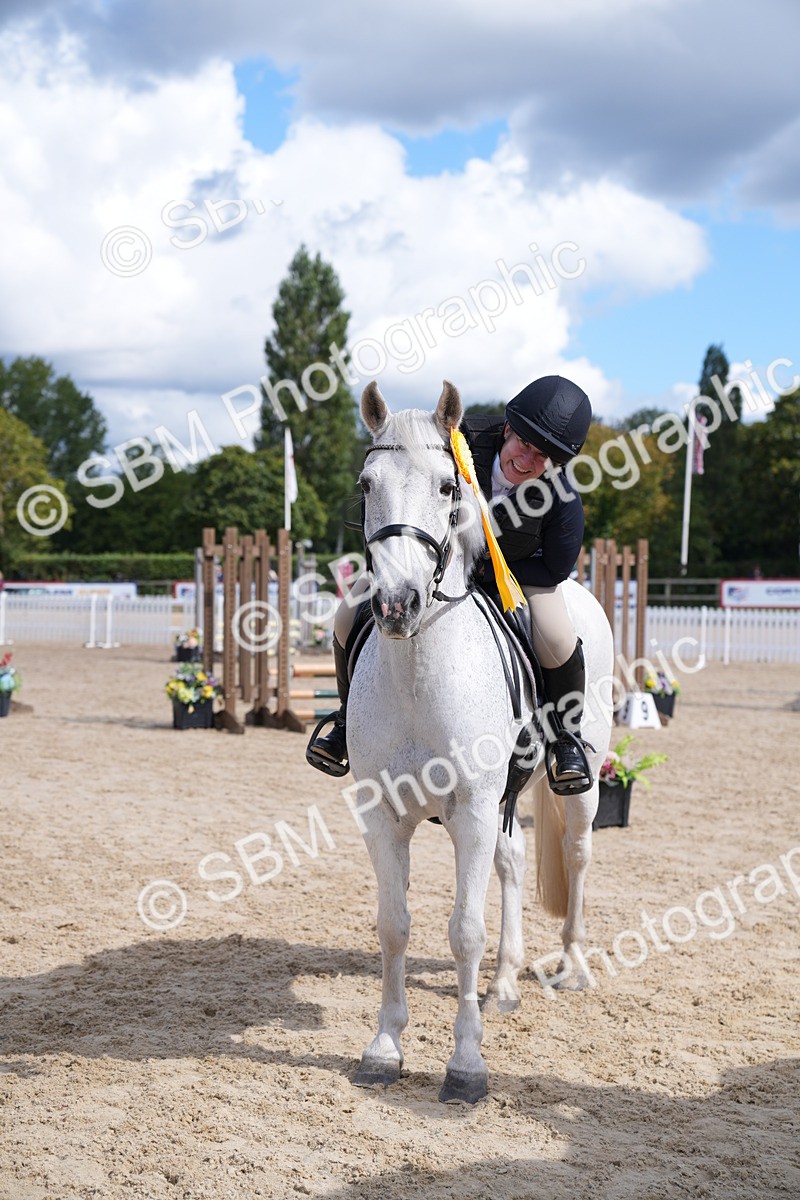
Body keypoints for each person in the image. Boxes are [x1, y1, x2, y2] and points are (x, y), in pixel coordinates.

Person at [307, 374, 594, 793]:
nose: (528, 460)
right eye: (524, 444)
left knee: (557, 635)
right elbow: (399, 487)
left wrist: (486, 573)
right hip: (428, 563)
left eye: (544, 457)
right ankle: (346, 719)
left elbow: (555, 568)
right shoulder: (454, 440)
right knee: (347, 613)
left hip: (517, 576)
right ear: (508, 429)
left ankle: (565, 739)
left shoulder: (563, 500)